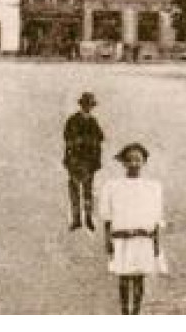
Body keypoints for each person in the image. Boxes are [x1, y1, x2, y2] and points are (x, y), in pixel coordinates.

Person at [99, 142, 166, 315]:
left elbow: (156, 218)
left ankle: (135, 313)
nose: (134, 164)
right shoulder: (113, 186)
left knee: (138, 277)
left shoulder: (153, 187)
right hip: (121, 239)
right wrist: (108, 240)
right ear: (124, 163)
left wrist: (156, 244)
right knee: (124, 277)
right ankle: (125, 313)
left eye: (138, 160)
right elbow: (107, 217)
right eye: (130, 160)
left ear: (144, 162)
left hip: (143, 239)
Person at [64, 92, 104, 230]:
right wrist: (69, 159)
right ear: (81, 105)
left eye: (90, 105)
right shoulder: (73, 120)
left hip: (89, 162)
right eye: (86, 104)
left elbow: (100, 139)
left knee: (88, 191)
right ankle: (76, 220)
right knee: (74, 190)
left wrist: (96, 160)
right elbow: (68, 139)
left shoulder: (93, 122)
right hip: (75, 161)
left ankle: (88, 218)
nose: (88, 107)